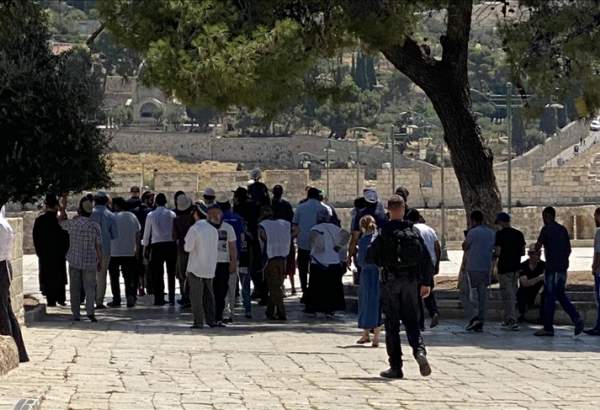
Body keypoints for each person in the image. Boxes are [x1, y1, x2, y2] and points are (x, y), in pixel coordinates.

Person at [367, 195, 433, 379]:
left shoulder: (382, 232)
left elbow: (370, 256)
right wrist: (426, 282)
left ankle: (396, 366)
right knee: (412, 321)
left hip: (390, 282)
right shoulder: (413, 231)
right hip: (411, 282)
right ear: (403, 209)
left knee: (392, 324)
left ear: (388, 210)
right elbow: (426, 259)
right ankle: (419, 351)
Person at [534, 207, 584, 336]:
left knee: (549, 296)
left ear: (546, 216)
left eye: (544, 217)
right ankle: (576, 318)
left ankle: (548, 327)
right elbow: (568, 249)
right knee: (560, 294)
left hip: (552, 268)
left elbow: (538, 246)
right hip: (562, 268)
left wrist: (536, 251)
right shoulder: (562, 230)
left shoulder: (546, 230)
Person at [60, 196, 102, 322]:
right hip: (90, 261)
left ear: (79, 210)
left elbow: (61, 223)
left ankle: (76, 314)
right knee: (90, 288)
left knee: (75, 288)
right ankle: (90, 312)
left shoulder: (73, 223)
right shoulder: (95, 226)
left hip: (74, 259)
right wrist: (100, 260)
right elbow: (98, 245)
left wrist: (63, 209)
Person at [305, 208, 348, 316]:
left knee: (318, 288)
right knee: (332, 288)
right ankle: (331, 310)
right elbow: (345, 236)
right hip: (334, 261)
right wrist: (338, 250)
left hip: (319, 263)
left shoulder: (315, 228)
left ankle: (317, 309)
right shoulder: (336, 228)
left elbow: (316, 245)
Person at [0, 205, 29, 362]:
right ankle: (19, 352)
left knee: (2, 310)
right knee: (6, 308)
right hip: (3, 266)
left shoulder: (1, 225)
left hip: (1, 266)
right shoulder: (3, 223)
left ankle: (9, 353)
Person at [293, 187, 330, 302]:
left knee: (303, 270)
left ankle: (305, 292)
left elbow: (295, 226)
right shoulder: (325, 208)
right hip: (319, 244)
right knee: (317, 269)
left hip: (303, 243)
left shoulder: (300, 208)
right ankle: (316, 292)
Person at [406, 209, 441, 330]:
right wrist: (436, 264)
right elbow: (437, 247)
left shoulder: (412, 230)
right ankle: (434, 312)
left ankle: (420, 323)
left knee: (417, 294)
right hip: (430, 264)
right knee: (428, 290)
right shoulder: (430, 229)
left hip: (418, 265)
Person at [184, 204, 218, 328]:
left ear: (196, 214)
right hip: (209, 267)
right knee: (209, 296)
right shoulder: (213, 229)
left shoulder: (194, 229)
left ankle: (198, 321)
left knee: (196, 297)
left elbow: (187, 248)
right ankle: (211, 320)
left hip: (195, 267)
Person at [32, 193, 69, 307]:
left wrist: (40, 252)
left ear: (46, 205)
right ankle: (61, 298)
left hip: (45, 254)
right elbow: (67, 236)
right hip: (59, 254)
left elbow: (36, 237)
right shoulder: (60, 220)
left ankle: (51, 299)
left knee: (48, 276)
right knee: (59, 274)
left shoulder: (40, 220)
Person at [462, 210, 495, 332]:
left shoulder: (472, 232)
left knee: (471, 294)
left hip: (473, 266)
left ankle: (474, 317)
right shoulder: (491, 233)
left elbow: (465, 246)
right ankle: (481, 319)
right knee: (482, 294)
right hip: (486, 267)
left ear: (473, 220)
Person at [142, 193, 177, 306]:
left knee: (157, 273)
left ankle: (159, 298)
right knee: (171, 272)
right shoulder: (172, 214)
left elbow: (147, 233)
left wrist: (145, 246)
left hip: (157, 246)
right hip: (171, 245)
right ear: (166, 202)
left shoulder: (151, 215)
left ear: (156, 202)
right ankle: (171, 297)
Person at [494, 212, 526, 331]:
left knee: (507, 296)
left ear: (501, 222)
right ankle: (507, 319)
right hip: (516, 268)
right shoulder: (519, 234)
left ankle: (512, 320)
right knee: (512, 293)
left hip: (504, 268)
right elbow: (523, 252)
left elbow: (498, 252)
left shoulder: (499, 235)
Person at [258, 206, 291, 320]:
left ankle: (282, 312)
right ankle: (270, 311)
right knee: (276, 284)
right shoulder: (284, 224)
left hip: (270, 258)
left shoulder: (263, 225)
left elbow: (263, 238)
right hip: (282, 258)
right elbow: (295, 230)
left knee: (274, 286)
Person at [233, 187, 265, 304]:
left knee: (243, 266)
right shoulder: (254, 204)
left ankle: (241, 290)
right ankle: (260, 290)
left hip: (244, 240)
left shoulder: (239, 207)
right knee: (256, 266)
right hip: (254, 238)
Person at [108, 197, 141, 308]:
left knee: (114, 277)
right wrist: (137, 249)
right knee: (128, 277)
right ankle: (130, 296)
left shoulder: (112, 217)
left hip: (114, 251)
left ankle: (116, 299)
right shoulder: (132, 217)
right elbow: (137, 234)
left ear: (116, 205)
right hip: (129, 251)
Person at [207, 204, 237, 326]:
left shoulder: (228, 228)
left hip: (223, 263)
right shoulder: (205, 228)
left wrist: (233, 262)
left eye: (217, 213)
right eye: (212, 214)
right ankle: (210, 316)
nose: (215, 216)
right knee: (209, 291)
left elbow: (232, 246)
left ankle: (218, 316)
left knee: (221, 291)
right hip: (208, 263)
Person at [356, 215, 381, 348]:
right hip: (378, 274)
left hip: (366, 274)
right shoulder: (379, 238)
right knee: (377, 303)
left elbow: (360, 261)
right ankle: (376, 336)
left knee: (365, 302)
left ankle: (366, 333)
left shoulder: (363, 240)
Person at [347, 189, 386, 272]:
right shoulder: (382, 213)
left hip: (365, 254)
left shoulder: (361, 215)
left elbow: (354, 238)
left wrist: (349, 256)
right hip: (381, 254)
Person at [219, 195, 245, 323]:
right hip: (235, 256)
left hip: (221, 257)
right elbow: (241, 237)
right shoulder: (237, 218)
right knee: (232, 285)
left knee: (221, 285)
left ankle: (223, 310)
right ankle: (231, 312)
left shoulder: (218, 220)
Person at [271, 185, 296, 295]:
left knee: (276, 260)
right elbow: (292, 220)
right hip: (286, 236)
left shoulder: (270, 204)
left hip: (273, 237)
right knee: (289, 261)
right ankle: (293, 286)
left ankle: (280, 286)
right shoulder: (286, 205)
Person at [173, 194, 194, 308]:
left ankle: (184, 296)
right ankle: (192, 296)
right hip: (194, 249)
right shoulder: (193, 218)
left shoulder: (176, 220)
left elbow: (174, 236)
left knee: (182, 275)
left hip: (182, 249)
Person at [132, 191, 155, 296]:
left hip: (136, 240)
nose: (153, 201)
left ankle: (140, 287)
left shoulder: (134, 211)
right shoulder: (150, 212)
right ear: (146, 199)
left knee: (138, 265)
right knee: (148, 265)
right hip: (148, 241)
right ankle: (150, 287)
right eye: (151, 199)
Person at [517, 244, 545, 324]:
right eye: (533, 253)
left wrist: (539, 293)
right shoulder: (523, 265)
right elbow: (525, 283)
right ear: (529, 254)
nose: (536, 255)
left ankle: (543, 318)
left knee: (546, 294)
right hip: (526, 291)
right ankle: (522, 315)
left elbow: (546, 282)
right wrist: (539, 278)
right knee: (521, 292)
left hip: (538, 291)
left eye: (538, 253)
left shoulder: (544, 265)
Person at [585, 207, 600, 336]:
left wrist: (594, 267)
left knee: (599, 299)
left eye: (596, 216)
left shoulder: (599, 232)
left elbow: (598, 252)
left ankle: (598, 327)